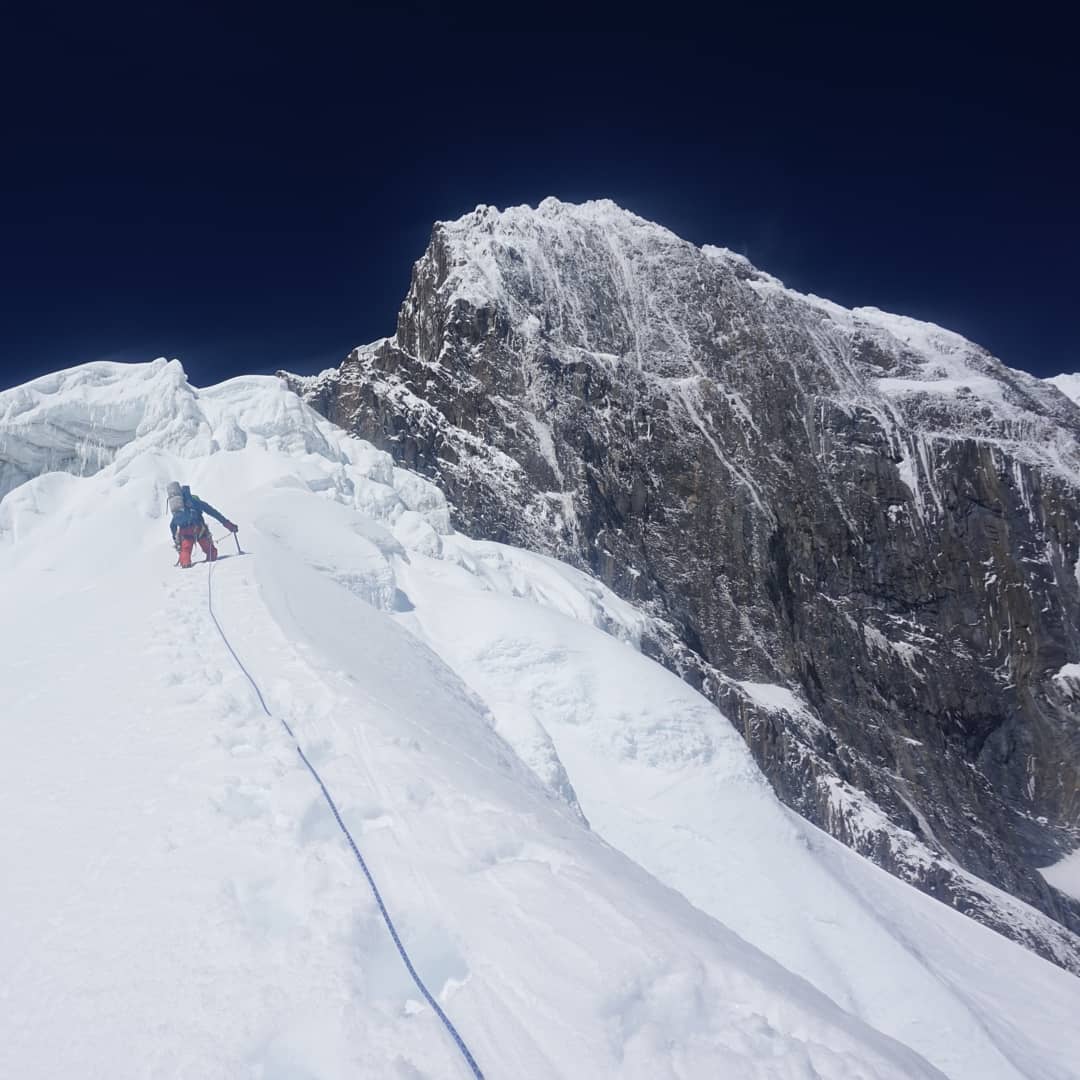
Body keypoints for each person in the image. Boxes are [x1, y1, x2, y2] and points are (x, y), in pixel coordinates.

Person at [167, 482, 238, 567]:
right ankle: (211, 557)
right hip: (199, 531)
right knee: (211, 552)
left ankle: (185, 564)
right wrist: (229, 525)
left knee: (185, 551)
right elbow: (214, 513)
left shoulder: (180, 509)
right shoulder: (196, 502)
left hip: (185, 533)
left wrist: (176, 540)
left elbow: (172, 525)